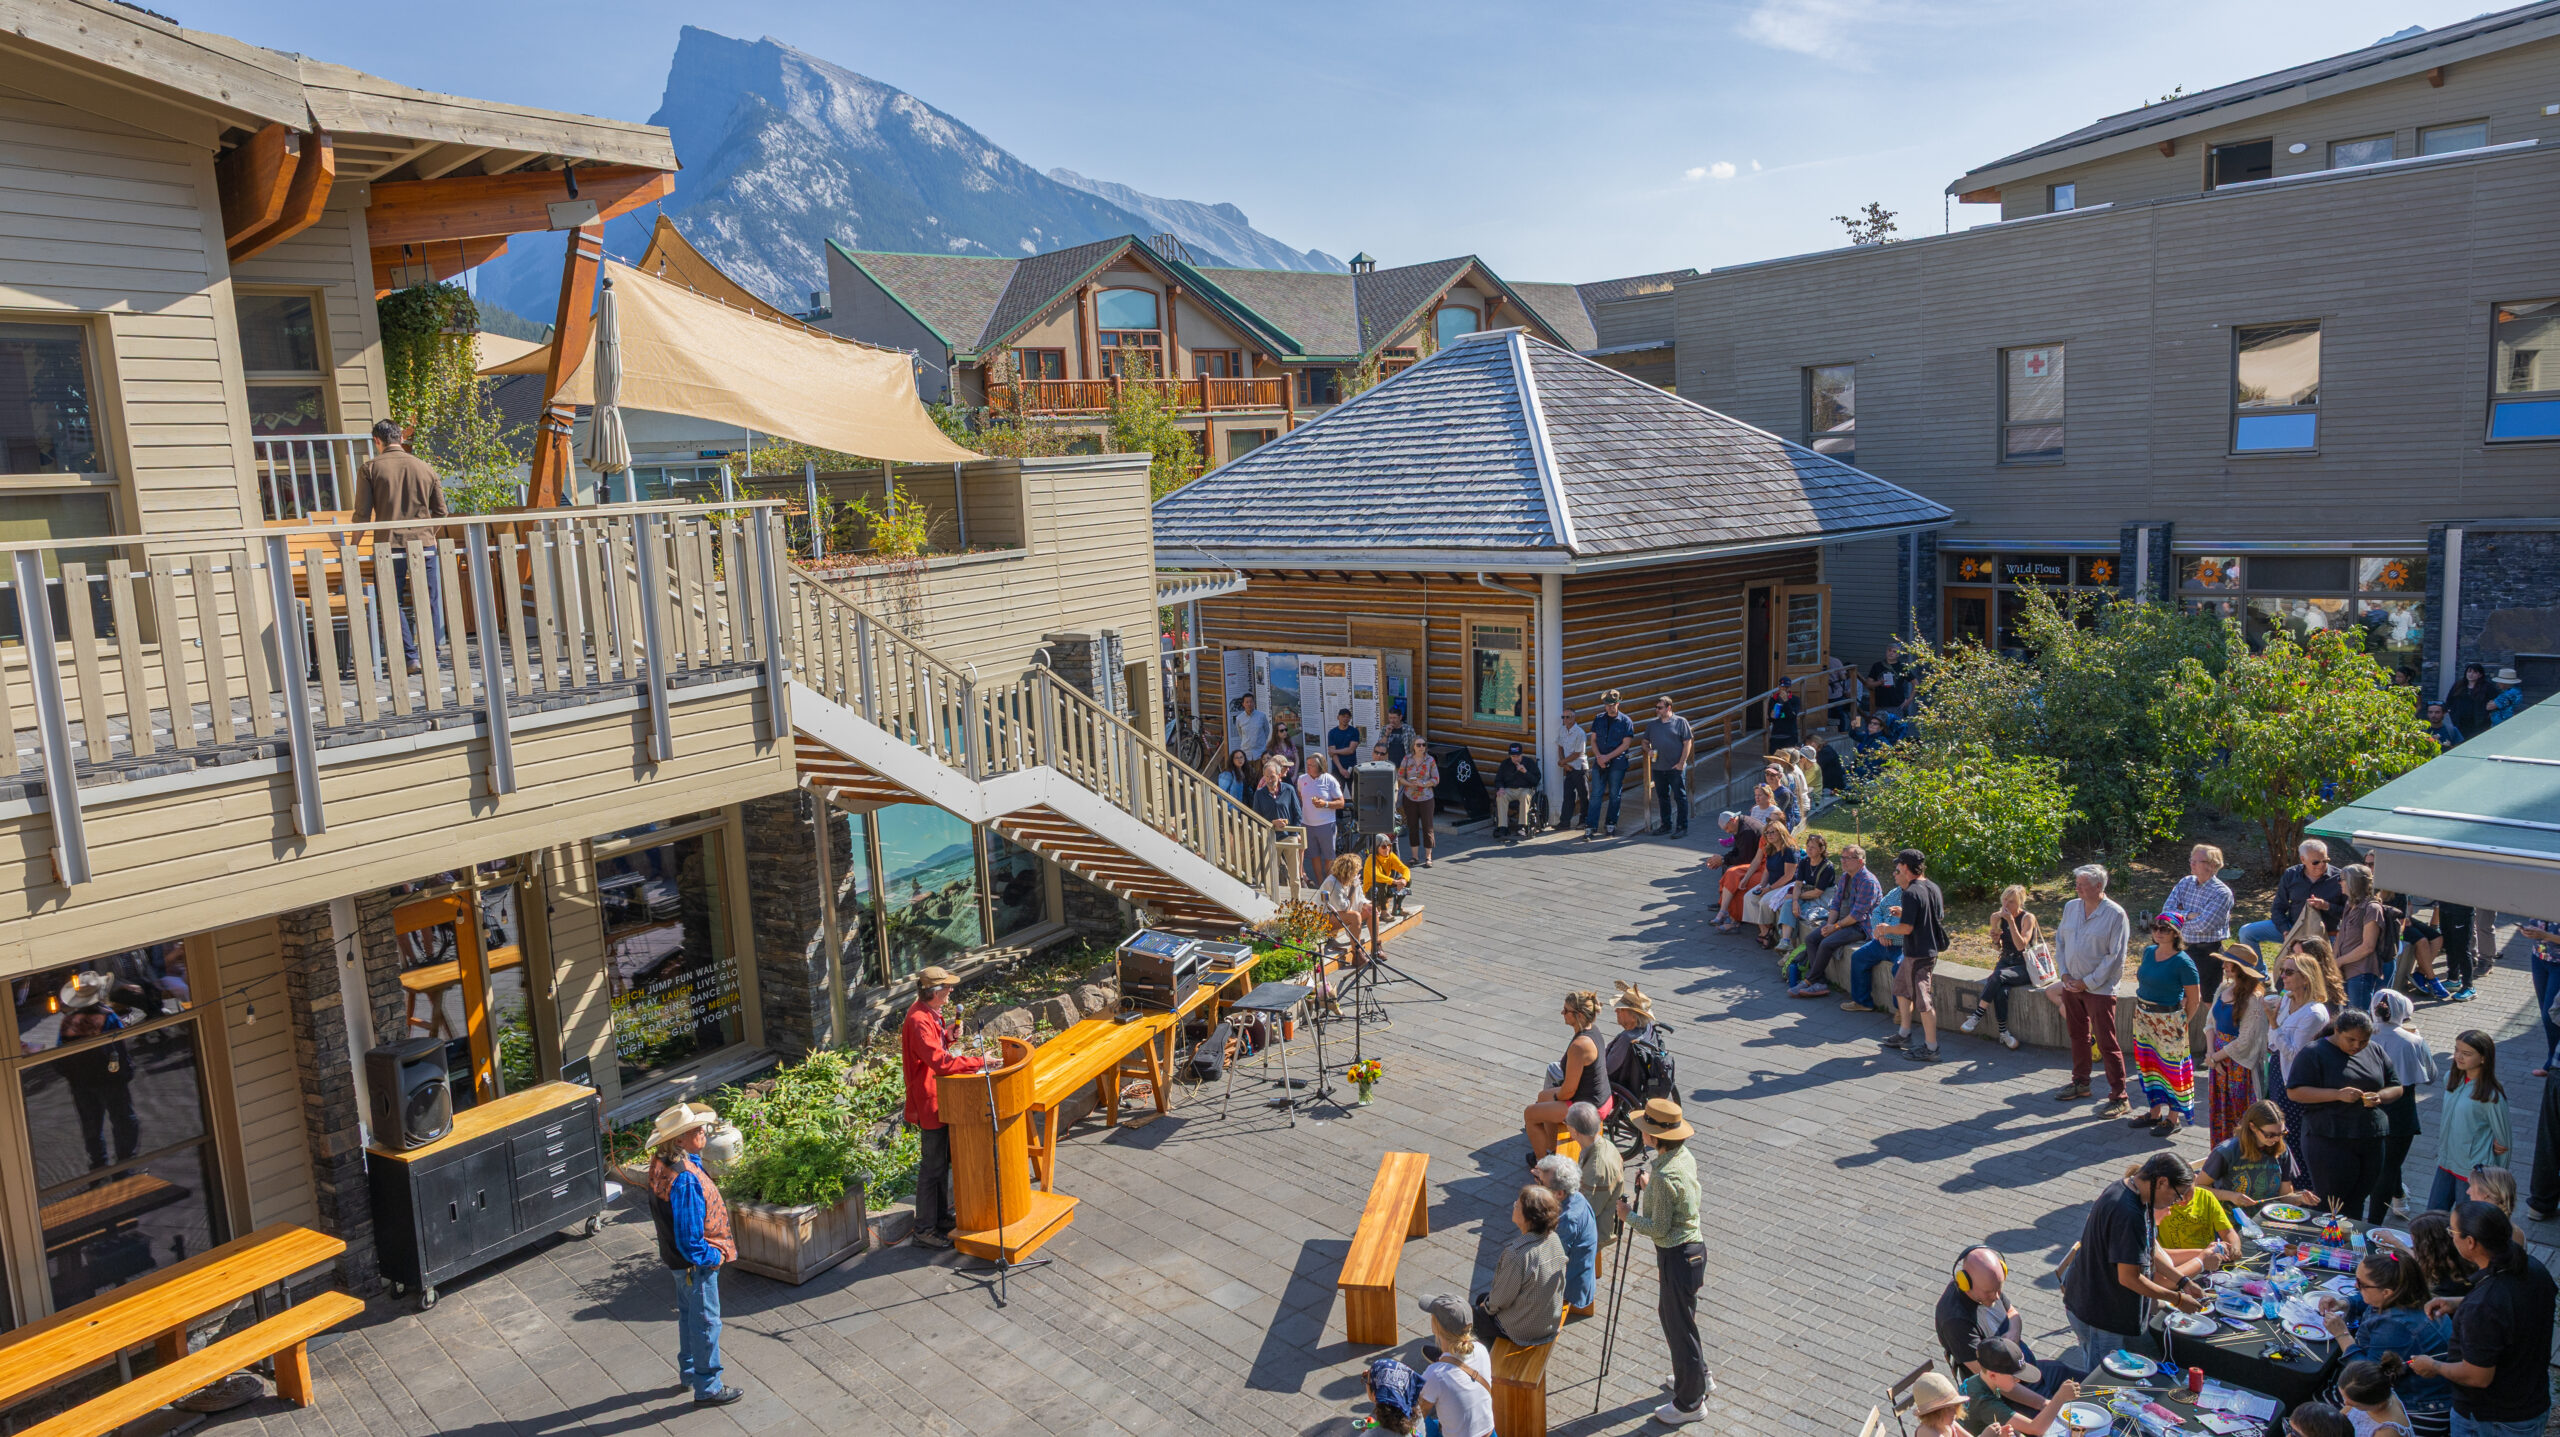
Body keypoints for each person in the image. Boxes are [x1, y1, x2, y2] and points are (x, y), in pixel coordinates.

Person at [2408, 1202, 2556, 1437]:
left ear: (2471, 1242)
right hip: (2530, 1398)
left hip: (2493, 1419)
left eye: (2452, 1232)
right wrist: (2459, 1302)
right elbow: (2511, 1308)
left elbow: (2477, 1376)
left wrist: (2433, 1366)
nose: (2450, 1237)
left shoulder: (2485, 1305)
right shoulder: (2534, 1268)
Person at [2061, 1153, 2207, 1363]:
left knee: (2150, 1360)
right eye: (2177, 1195)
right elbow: (2130, 1278)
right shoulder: (2128, 1214)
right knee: (2103, 1382)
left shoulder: (2139, 1194)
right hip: (2099, 1316)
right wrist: (2176, 1298)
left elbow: (2147, 1248)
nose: (2175, 1202)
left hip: (2113, 1310)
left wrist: (2183, 1282)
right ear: (2162, 1182)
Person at [645, 1101, 745, 1406]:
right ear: (679, 1140)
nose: (704, 1131)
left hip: (678, 1262)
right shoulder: (685, 1178)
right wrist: (712, 1258)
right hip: (694, 1265)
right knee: (706, 1322)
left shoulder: (661, 1163)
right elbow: (690, 1238)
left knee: (689, 1317)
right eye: (696, 1129)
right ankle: (709, 1386)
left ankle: (690, 1372)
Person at [1619, 1098, 1710, 1426]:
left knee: (1678, 1325)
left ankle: (1690, 1402)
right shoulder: (1681, 1158)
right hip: (1694, 1250)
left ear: (1656, 1137)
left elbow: (1656, 1228)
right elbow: (1671, 1198)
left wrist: (1627, 1216)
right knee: (1682, 1320)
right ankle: (1699, 1377)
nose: (1642, 1133)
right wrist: (1651, 1188)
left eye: (1646, 1130)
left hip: (1676, 1256)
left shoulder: (1661, 1176)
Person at [2315, 1251, 2453, 1436]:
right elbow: (2370, 1302)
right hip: (2408, 1392)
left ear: (2387, 1291)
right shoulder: (2407, 1295)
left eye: (2362, 1285)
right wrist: (2344, 1303)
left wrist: (2342, 1335)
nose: (2356, 1286)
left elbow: (2369, 1378)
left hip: (2416, 1408)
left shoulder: (2396, 1326)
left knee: (2317, 1407)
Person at [352, 418, 452, 672]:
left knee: (391, 601)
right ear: (401, 438)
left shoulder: (370, 468)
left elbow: (362, 514)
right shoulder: (425, 467)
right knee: (428, 600)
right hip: (424, 544)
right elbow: (441, 512)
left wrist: (352, 546)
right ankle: (433, 655)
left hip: (389, 545)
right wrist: (428, 532)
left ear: (377, 441)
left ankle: (411, 658)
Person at [901, 966, 990, 1249]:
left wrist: (949, 1035)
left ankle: (939, 1218)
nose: (951, 991)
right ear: (934, 992)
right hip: (930, 1101)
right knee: (933, 1167)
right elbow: (939, 1063)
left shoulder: (928, 1014)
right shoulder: (918, 1020)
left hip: (941, 1097)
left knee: (941, 1164)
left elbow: (934, 1050)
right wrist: (979, 1061)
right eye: (947, 988)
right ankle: (924, 1230)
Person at [2289, 1007, 2405, 1220]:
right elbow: (2295, 1092)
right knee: (2330, 1203)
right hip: (2330, 1139)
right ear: (2337, 1031)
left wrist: (2380, 1096)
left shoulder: (2375, 1050)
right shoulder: (2313, 1052)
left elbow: (2396, 1086)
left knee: (2357, 1200)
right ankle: (2323, 1245)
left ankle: (2348, 1246)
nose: (2357, 1046)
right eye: (2351, 1040)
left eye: (2363, 1041)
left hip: (2370, 1136)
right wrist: (2336, 1094)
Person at [2051, 864, 2132, 1114]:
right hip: (2071, 984)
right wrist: (2064, 973)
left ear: (2099, 887)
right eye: (2077, 883)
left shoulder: (2116, 914)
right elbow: (2061, 942)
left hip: (2100, 989)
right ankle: (2081, 1083)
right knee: (2078, 1035)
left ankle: (2120, 1097)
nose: (2077, 887)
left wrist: (2087, 982)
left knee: (2107, 1042)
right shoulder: (2071, 907)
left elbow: (2115, 957)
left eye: (2082, 884)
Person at [52, 971, 143, 1172]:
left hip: (81, 1085)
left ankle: (99, 1164)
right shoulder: (108, 1017)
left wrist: (73, 1077)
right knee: (124, 1122)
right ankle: (125, 1164)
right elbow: (118, 1049)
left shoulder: (68, 1022)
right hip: (110, 1082)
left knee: (91, 1127)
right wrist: (121, 1073)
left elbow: (58, 1056)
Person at [2131, 913, 2205, 1136]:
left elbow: (2195, 999)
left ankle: (2173, 1119)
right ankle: (2154, 1113)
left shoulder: (2183, 961)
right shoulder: (2148, 951)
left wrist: (2182, 1023)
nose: (2157, 932)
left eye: (2164, 929)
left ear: (2176, 933)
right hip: (2143, 1018)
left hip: (2168, 1021)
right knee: (2149, 1065)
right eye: (2155, 927)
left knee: (2171, 1069)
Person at [2270, 940, 2346, 1157]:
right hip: (2278, 1067)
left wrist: (2274, 1025)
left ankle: (2301, 1183)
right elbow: (2272, 1041)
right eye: (2283, 970)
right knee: (2277, 1129)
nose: (2282, 975)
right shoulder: (2286, 1000)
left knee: (2292, 1134)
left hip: (2296, 1076)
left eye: (2289, 972)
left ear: (2305, 977)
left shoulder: (2314, 1013)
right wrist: (2274, 1031)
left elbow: (2295, 1054)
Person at [2369, 991, 2439, 1222]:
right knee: (2390, 1163)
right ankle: (2375, 1221)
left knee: (2386, 1160)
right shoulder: (2414, 1041)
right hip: (2401, 1108)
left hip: (2368, 1104)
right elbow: (2431, 1077)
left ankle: (2398, 1195)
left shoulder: (2363, 1036)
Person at [1472, 1185, 1565, 1349]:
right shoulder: (1554, 1239)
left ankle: (1455, 1359)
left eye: (1518, 1205)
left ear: (1529, 1218)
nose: (1514, 1205)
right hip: (1548, 1321)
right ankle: (1487, 1345)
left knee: (1468, 1316)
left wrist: (1486, 1307)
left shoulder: (1518, 1254)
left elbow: (1500, 1299)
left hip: (1523, 1331)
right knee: (1482, 1299)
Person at [1880, 849, 1951, 1065]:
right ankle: (1904, 1033)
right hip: (1922, 951)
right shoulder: (1932, 887)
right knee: (1901, 989)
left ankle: (1931, 1048)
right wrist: (1905, 912)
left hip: (1919, 954)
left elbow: (1907, 929)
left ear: (1906, 868)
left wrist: (1884, 929)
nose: (1895, 872)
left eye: (1898, 867)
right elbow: (1933, 915)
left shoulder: (1910, 892)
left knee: (1923, 1001)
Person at [2427, 1031, 2509, 1214]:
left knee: (2465, 1225)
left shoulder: (2491, 1095)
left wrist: (2495, 1184)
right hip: (2446, 1163)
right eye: (2457, 1050)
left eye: (2467, 1053)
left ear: (2483, 1058)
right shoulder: (2451, 1078)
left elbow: (2504, 1143)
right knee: (2432, 1218)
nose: (2458, 1056)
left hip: (2472, 1172)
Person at [2206, 945, 2274, 1145]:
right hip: (2218, 1060)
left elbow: (2246, 1040)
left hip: (2239, 1066)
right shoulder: (2223, 989)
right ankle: (2220, 1157)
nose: (2225, 965)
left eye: (2231, 963)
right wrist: (2210, 1053)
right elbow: (2210, 1023)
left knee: (2239, 1114)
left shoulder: (2254, 1000)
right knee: (2219, 1111)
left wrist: (2215, 1058)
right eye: (2225, 961)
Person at [1525, 991, 1604, 1160]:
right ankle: (1551, 1150)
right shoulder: (1593, 1030)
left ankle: (1543, 1168)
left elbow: (1568, 1091)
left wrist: (1556, 1096)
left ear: (1579, 1015)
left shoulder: (1580, 1046)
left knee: (1530, 1114)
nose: (1562, 1013)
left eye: (1566, 1010)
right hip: (1597, 1096)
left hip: (1587, 1105)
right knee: (1542, 1097)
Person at [1957, 886, 2039, 1049]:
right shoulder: (1996, 917)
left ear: (2020, 902)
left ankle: (1977, 1015)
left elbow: (2021, 946)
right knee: (2001, 991)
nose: (2006, 904)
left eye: (2011, 901)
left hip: (2024, 965)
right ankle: (2003, 1033)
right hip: (2005, 961)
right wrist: (1995, 940)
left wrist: (2010, 922)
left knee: (1997, 976)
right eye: (2004, 900)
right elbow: (1997, 948)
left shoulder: (2027, 918)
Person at [2200, 1099, 2314, 1210]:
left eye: (2282, 1133)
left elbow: (2285, 1196)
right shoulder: (2226, 1151)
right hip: (2229, 1219)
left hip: (2266, 1217)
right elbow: (2198, 1187)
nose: (2277, 1139)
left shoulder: (2281, 1149)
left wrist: (2299, 1198)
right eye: (2270, 1134)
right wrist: (2230, 1196)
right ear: (2252, 1127)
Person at [1961, 1338, 2083, 1437]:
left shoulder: (1982, 1381)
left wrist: (2044, 1404)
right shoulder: (1985, 1403)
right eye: (2014, 1377)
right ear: (1993, 1375)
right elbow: (2035, 1429)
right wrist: (2059, 1398)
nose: (2019, 1380)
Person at [1413, 1293, 1496, 1437]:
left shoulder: (1435, 1374)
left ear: (1436, 1326)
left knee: (1414, 1415)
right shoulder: (1481, 1350)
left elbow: (1415, 1418)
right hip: (1490, 1434)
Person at [2241, 839, 2347, 947]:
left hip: (2326, 934)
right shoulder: (2291, 874)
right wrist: (2285, 931)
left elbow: (2349, 913)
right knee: (2247, 932)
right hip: (2293, 928)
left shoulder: (2340, 878)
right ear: (2303, 859)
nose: (2321, 865)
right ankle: (2256, 965)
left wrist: (2326, 906)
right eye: (2316, 862)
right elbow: (2278, 908)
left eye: (2325, 861)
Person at [1810, 844, 1883, 1001]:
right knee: (1812, 938)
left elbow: (1858, 915)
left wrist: (1834, 927)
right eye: (1842, 858)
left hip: (1862, 926)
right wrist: (1829, 925)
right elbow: (1835, 904)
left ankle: (1811, 980)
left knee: (1826, 943)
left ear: (1860, 861)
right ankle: (1819, 982)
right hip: (1843, 921)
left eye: (1847, 858)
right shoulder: (1845, 877)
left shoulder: (1868, 882)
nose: (1843, 861)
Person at [1839, 853, 1906, 1017]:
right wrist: (1880, 932)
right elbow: (1877, 912)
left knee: (1900, 967)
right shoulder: (1895, 892)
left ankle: (1901, 1010)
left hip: (1903, 945)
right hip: (1882, 941)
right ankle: (1862, 1002)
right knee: (1858, 957)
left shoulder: (1916, 895)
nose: (1893, 874)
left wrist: (1888, 932)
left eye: (1897, 872)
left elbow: (1911, 925)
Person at [1533, 1154, 1598, 1316]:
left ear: (1559, 1194)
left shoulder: (1566, 1221)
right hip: (1575, 1274)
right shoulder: (1576, 1197)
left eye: (1541, 1183)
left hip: (1569, 1288)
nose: (1536, 1186)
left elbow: (1549, 1265)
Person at [2153, 1171, 2244, 1274]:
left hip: (2210, 1262)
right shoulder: (2161, 1206)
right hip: (2178, 1267)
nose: (2183, 1198)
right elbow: (2157, 1253)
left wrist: (2234, 1248)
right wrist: (2203, 1255)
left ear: (2195, 1180)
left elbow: (2227, 1231)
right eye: (2178, 1193)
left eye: (2187, 1191)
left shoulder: (2206, 1197)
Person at [1565, 1100, 1626, 1254]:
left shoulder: (1595, 1170)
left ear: (1574, 1131)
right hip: (1603, 1213)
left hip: (1598, 1230)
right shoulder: (1606, 1144)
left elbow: (1584, 1214)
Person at [2163, 844, 2236, 965]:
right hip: (2179, 947)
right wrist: (2190, 915)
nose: (2192, 864)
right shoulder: (2185, 882)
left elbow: (2202, 926)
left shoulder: (2222, 893)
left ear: (2212, 865)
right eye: (2191, 860)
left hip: (2206, 954)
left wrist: (2179, 916)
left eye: (2198, 861)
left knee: (2205, 985)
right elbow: (2166, 913)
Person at [2336, 865, 2393, 1009]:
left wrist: (2340, 961)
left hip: (2360, 972)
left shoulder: (2372, 908)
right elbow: (2341, 936)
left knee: (2358, 1018)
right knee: (2347, 1018)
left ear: (2352, 883)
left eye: (2342, 879)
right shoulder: (2350, 905)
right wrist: (2333, 962)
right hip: (2345, 969)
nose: (2339, 883)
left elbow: (2368, 947)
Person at [1739, 818, 1800, 950]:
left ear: (1781, 832)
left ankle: (1767, 932)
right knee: (1749, 897)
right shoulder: (1770, 848)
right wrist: (1762, 886)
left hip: (1787, 885)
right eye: (1767, 833)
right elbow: (1767, 870)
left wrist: (1769, 889)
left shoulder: (1790, 850)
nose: (1769, 835)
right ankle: (1766, 931)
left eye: (1773, 832)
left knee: (1764, 901)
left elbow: (1789, 876)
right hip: (1772, 883)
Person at [1641, 695, 1695, 838]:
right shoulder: (1652, 724)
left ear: (1669, 707)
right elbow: (1644, 742)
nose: (1657, 710)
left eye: (1660, 708)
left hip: (1675, 767)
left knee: (1680, 797)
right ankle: (1666, 825)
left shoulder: (1680, 722)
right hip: (1658, 767)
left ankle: (1682, 827)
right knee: (1662, 797)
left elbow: (1687, 743)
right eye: (1656, 707)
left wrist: (1682, 763)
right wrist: (1649, 751)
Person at [1586, 690, 1636, 840]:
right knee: (1595, 795)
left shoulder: (1626, 721)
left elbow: (1626, 744)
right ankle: (1590, 826)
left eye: (1612, 704)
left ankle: (1611, 824)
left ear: (1618, 703)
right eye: (1607, 705)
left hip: (1617, 762)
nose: (1609, 707)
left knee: (1615, 794)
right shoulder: (1598, 719)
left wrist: (1607, 757)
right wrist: (1599, 757)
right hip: (1599, 761)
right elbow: (1593, 740)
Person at [1703, 810, 1763, 934]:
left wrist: (1723, 859)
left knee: (1733, 874)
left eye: (1727, 828)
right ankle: (1724, 908)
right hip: (1753, 861)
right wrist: (1722, 858)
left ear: (1732, 820)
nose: (1727, 832)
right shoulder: (1739, 825)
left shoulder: (1747, 831)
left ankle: (1728, 913)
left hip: (1760, 865)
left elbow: (1746, 858)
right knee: (1728, 869)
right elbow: (1738, 850)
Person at [1297, 753, 1346, 885]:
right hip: (1307, 824)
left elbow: (1341, 803)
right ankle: (1320, 883)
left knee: (1329, 857)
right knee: (1314, 856)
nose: (1308, 767)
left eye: (1311, 765)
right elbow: (1301, 797)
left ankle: (1329, 884)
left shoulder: (1329, 780)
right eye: (1307, 764)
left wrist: (1325, 804)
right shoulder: (1302, 779)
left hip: (1326, 824)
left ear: (1320, 766)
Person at [2408, 1212, 2476, 1302]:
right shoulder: (2462, 1260)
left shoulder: (2446, 1287)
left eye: (2416, 1244)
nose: (2413, 1247)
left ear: (2430, 1248)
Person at [1395, 741, 1440, 868]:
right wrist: (1409, 784)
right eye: (1418, 745)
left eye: (1423, 745)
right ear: (1413, 747)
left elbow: (1436, 779)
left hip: (1426, 797)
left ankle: (1428, 857)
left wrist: (1424, 784)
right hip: (1410, 797)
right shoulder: (1407, 759)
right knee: (1412, 826)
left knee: (1428, 826)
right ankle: (1414, 856)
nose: (1421, 747)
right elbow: (1400, 776)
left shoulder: (1430, 760)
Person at [1318, 853, 1372, 950]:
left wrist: (1366, 905)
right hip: (1324, 918)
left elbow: (1360, 898)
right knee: (1355, 916)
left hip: (1338, 914)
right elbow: (1344, 907)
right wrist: (1352, 889)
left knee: (1371, 910)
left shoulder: (1351, 879)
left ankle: (1376, 945)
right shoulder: (1332, 882)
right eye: (1356, 871)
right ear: (1349, 871)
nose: (1357, 873)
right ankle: (1357, 952)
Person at [1362, 1355, 1423, 1435]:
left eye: (1366, 1378)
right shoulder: (1417, 1416)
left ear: (1375, 1395)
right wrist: (1375, 1424)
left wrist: (1370, 1430)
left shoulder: (1372, 1434)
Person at [1491, 742, 1540, 842]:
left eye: (1517, 756)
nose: (1515, 758)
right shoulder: (1505, 764)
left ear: (1521, 754)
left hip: (1525, 789)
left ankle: (1522, 826)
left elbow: (1536, 781)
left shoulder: (1529, 763)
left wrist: (1525, 772)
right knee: (1501, 796)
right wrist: (1500, 788)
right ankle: (1503, 827)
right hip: (1509, 789)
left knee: (1525, 796)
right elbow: (1498, 779)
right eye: (1513, 756)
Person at [1555, 705, 1590, 834]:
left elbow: (1578, 753)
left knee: (1583, 795)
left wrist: (1562, 762)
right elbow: (1560, 747)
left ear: (1574, 718)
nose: (1564, 719)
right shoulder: (1562, 730)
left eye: (1567, 717)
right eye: (1563, 717)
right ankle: (1564, 822)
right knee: (1568, 795)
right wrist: (1564, 765)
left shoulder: (1580, 733)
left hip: (1579, 767)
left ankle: (1584, 821)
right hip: (1569, 767)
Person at [1364, 834, 1412, 922]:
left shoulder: (1391, 856)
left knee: (1408, 881)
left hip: (1385, 887)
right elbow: (1377, 876)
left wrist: (1404, 880)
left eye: (1389, 845)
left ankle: (1397, 908)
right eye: (1383, 846)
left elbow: (1405, 868)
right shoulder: (1371, 859)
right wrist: (1394, 881)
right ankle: (1383, 911)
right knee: (1380, 883)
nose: (1387, 848)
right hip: (1371, 892)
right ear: (1377, 847)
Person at [2443, 664, 2497, 741]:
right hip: (2460, 721)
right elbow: (2450, 700)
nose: (2471, 674)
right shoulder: (2459, 685)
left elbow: (2495, 701)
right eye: (2469, 672)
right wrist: (2452, 713)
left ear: (2480, 675)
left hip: (2478, 722)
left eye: (2474, 672)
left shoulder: (2487, 687)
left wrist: (2487, 714)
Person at [1869, 639, 1913, 716]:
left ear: (1898, 655)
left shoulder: (1902, 667)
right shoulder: (1877, 666)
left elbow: (1916, 684)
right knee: (1880, 727)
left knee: (1895, 727)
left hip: (1897, 706)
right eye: (1889, 650)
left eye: (1894, 651)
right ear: (1886, 652)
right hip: (1880, 706)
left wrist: (1909, 700)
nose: (1891, 653)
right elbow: (1868, 684)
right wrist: (1880, 682)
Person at [1230, 691, 1273, 764]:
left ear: (1254, 703)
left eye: (1251, 702)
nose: (1249, 704)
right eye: (1247, 702)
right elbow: (1240, 734)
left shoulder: (1261, 716)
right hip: (1246, 753)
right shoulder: (1239, 718)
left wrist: (1261, 742)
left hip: (1260, 753)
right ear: (1243, 704)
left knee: (1260, 774)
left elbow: (1267, 731)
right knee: (1247, 774)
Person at [1327, 707, 1362, 779]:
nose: (1345, 719)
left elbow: (1351, 750)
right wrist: (1340, 769)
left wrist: (1335, 751)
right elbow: (1333, 754)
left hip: (1351, 767)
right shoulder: (1332, 733)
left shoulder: (1354, 731)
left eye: (1347, 717)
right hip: (1337, 767)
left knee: (1354, 790)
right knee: (1337, 790)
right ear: (1338, 717)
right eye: (1343, 716)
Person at [1766, 676, 1801, 748]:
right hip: (1777, 733)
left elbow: (1792, 716)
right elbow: (1771, 718)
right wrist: (1771, 716)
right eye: (1782, 687)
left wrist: (1786, 701)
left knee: (1790, 757)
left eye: (1787, 687)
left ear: (1790, 688)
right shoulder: (1773, 699)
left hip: (1790, 734)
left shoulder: (1795, 699)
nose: (1784, 689)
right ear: (1779, 687)